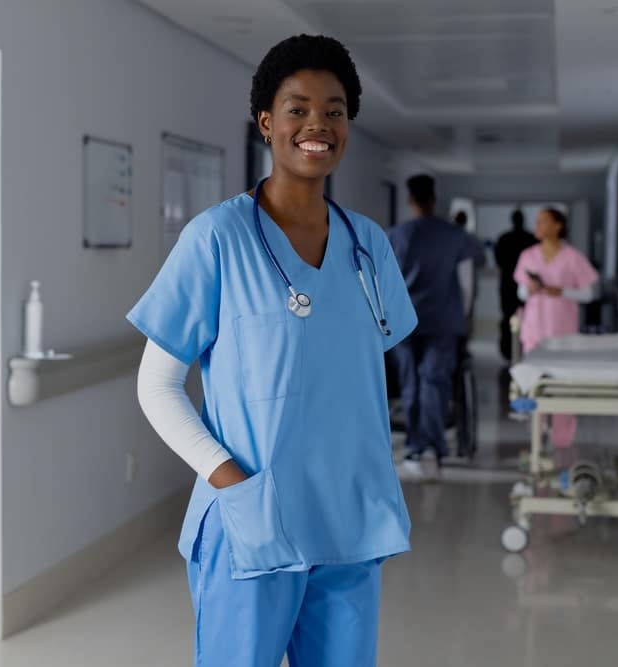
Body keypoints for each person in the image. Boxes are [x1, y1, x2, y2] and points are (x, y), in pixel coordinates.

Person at [127, 34, 417, 667]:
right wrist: (233, 485)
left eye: (335, 110)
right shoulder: (216, 239)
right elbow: (157, 386)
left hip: (349, 519)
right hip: (251, 526)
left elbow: (358, 373)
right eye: (298, 108)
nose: (318, 124)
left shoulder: (368, 245)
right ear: (266, 122)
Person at [390, 174, 476, 478]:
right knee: (435, 381)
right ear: (434, 199)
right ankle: (434, 447)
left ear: (410, 201)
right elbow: (466, 285)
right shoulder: (455, 236)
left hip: (405, 322)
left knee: (410, 382)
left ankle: (415, 445)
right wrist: (463, 319)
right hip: (444, 321)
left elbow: (386, 284)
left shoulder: (397, 235)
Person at [514, 208, 599, 448]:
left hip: (562, 330)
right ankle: (537, 433)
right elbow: (520, 291)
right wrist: (530, 289)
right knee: (534, 384)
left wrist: (561, 291)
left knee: (562, 386)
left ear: (558, 225)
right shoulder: (528, 256)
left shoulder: (572, 256)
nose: (537, 225)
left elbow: (589, 293)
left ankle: (562, 438)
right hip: (534, 328)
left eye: (543, 221)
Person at [494, 208, 537, 360]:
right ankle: (519, 350)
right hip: (517, 285)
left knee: (509, 318)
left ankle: (509, 351)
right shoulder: (530, 238)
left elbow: (498, 262)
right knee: (522, 318)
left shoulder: (504, 239)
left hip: (509, 285)